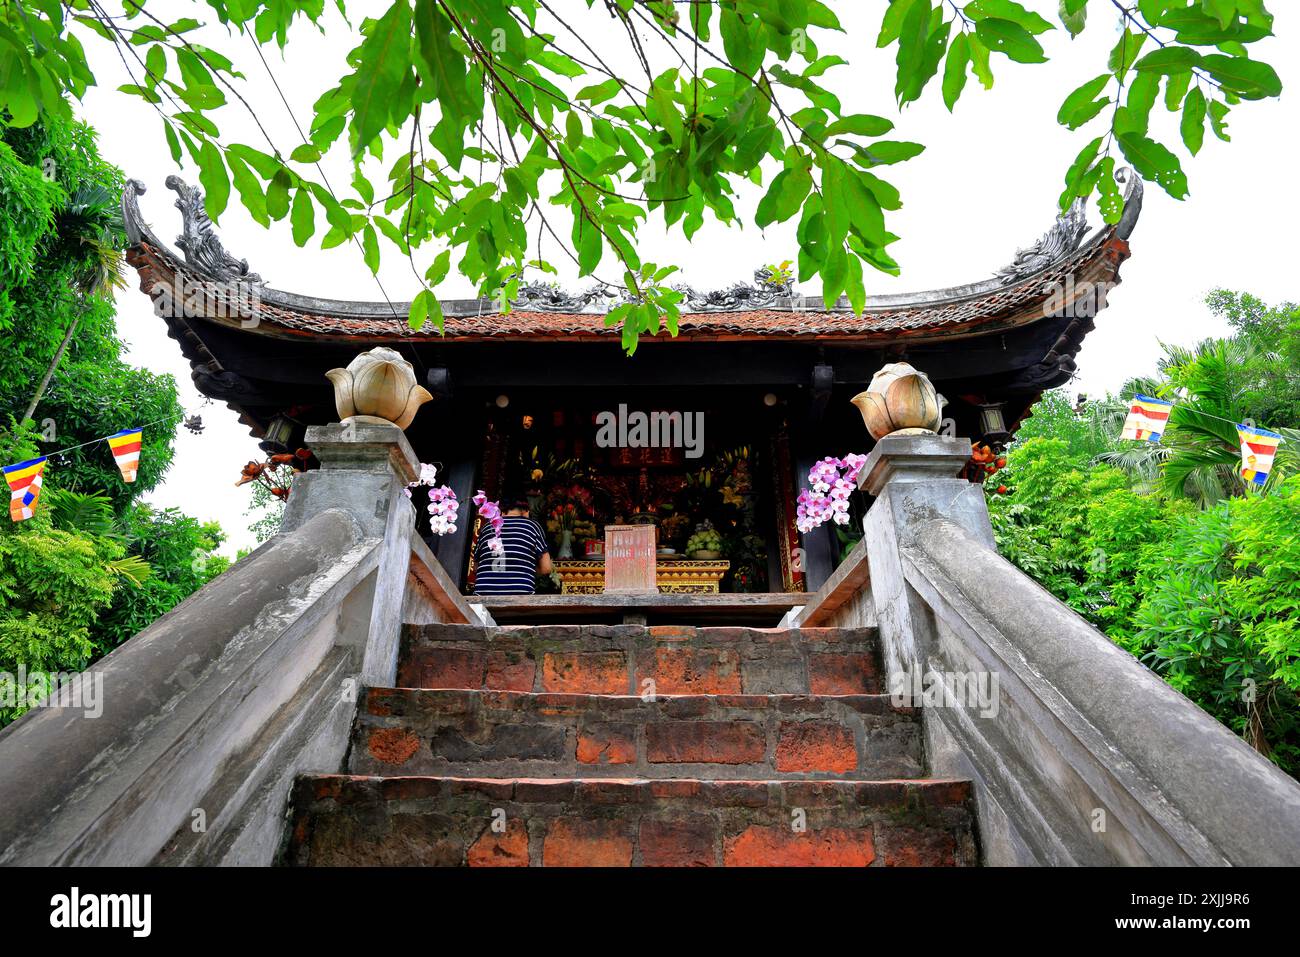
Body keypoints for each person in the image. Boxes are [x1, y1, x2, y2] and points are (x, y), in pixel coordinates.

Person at [471, 496, 553, 596]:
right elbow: (546, 568)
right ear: (526, 511)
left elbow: (475, 568)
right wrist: (526, 568)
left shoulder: (487, 527)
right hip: (521, 594)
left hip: (483, 594)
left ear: (502, 511)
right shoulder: (532, 526)